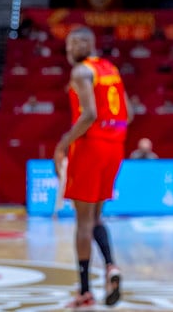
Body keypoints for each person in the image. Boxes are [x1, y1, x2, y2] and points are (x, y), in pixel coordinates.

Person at [53, 26, 133, 309]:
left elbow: (89, 114)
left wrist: (62, 144)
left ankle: (85, 292)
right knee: (96, 216)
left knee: (83, 223)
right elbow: (129, 113)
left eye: (72, 44)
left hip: (90, 146)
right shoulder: (110, 68)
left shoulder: (81, 72)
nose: (68, 50)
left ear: (85, 44)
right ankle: (111, 267)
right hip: (115, 146)